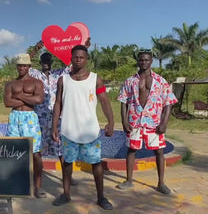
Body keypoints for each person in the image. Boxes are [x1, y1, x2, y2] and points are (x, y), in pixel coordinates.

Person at [52, 45, 114, 210]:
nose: (78, 59)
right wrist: (54, 126)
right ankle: (66, 194)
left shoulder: (95, 79)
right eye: (75, 57)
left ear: (86, 60)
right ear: (71, 59)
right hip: (68, 130)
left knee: (96, 164)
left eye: (81, 57)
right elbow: (58, 102)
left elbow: (105, 101)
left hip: (90, 131)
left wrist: (111, 122)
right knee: (67, 164)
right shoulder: (63, 80)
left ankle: (101, 197)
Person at [28, 39, 90, 185]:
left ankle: (67, 177)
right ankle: (37, 179)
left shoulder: (59, 74)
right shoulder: (36, 75)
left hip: (58, 118)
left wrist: (85, 47)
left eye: (48, 59)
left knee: (62, 150)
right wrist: (35, 49)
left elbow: (72, 63)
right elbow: (25, 63)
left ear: (51, 62)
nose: (45, 62)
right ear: (40, 61)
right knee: (38, 150)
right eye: (43, 59)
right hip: (40, 119)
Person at [116, 49, 178, 195]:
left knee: (159, 151)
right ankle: (129, 180)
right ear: (138, 61)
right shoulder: (130, 81)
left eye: (146, 60)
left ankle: (161, 183)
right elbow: (123, 102)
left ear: (151, 61)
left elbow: (168, 103)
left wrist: (164, 123)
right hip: (135, 120)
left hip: (154, 122)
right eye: (141, 60)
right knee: (131, 150)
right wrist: (124, 121)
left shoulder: (160, 81)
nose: (143, 62)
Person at [3, 53, 46, 198]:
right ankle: (16, 183)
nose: (21, 68)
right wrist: (28, 99)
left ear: (29, 66)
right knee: (13, 151)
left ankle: (38, 186)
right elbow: (7, 102)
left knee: (35, 153)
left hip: (30, 119)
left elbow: (39, 99)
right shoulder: (11, 84)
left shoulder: (36, 82)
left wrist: (19, 96)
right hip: (14, 118)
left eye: (24, 65)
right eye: (19, 65)